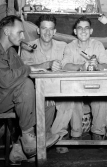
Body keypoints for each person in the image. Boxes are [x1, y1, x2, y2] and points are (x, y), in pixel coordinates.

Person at [0, 15, 60, 164]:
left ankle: (30, 144)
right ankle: (28, 139)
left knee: (47, 101)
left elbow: (22, 70)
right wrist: (28, 70)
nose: (22, 36)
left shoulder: (10, 51)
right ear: (7, 31)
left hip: (3, 95)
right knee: (25, 85)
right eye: (20, 32)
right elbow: (8, 79)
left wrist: (37, 68)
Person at [20, 14, 71, 155]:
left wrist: (62, 65)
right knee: (46, 101)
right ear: (38, 30)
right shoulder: (28, 47)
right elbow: (24, 70)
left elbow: (68, 64)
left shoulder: (64, 46)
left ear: (55, 31)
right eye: (44, 29)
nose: (47, 33)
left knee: (68, 101)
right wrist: (47, 64)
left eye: (50, 29)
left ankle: (57, 137)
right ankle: (42, 139)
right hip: (35, 89)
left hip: (59, 88)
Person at [61, 16, 107, 141]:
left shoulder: (98, 45)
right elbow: (65, 65)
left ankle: (98, 132)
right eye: (79, 28)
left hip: (95, 86)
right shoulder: (70, 46)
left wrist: (97, 65)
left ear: (91, 31)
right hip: (75, 87)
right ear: (75, 31)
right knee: (73, 100)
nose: (83, 31)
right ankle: (76, 134)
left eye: (86, 28)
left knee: (102, 100)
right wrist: (81, 67)